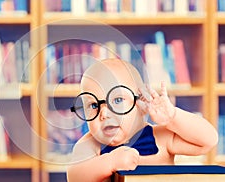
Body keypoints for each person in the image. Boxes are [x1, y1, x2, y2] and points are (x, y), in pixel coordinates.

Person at [66, 58, 218, 182]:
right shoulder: (90, 144)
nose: (104, 113)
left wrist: (173, 117)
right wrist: (110, 162)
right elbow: (74, 176)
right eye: (93, 105)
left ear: (141, 103)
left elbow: (208, 141)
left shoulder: (161, 138)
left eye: (118, 100)